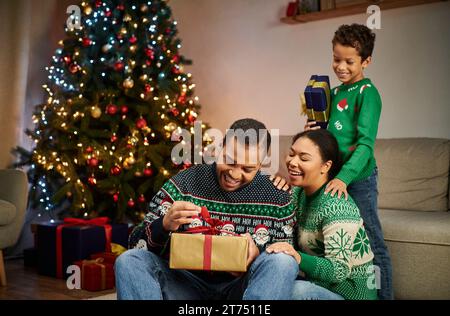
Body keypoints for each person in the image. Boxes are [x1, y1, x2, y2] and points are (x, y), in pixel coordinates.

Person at [115, 118, 298, 300]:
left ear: (261, 164)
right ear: (220, 148)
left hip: (242, 290)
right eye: (229, 161)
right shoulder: (184, 183)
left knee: (282, 260)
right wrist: (163, 225)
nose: (234, 174)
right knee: (129, 261)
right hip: (184, 285)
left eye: (247, 169)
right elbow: (135, 244)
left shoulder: (277, 197)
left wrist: (257, 256)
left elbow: (285, 264)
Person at [304, 24, 393, 299]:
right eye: (336, 59)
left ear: (366, 61)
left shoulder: (368, 93)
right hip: (334, 177)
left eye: (349, 61)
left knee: (371, 240)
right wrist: (317, 132)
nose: (340, 66)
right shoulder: (336, 93)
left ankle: (384, 296)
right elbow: (334, 137)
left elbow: (365, 145)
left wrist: (344, 177)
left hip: (358, 178)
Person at [267, 130, 378, 300]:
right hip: (318, 285)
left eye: (303, 158)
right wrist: (275, 187)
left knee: (296, 291)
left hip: (349, 295)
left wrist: (296, 256)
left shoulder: (337, 206)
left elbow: (339, 270)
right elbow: (279, 226)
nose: (292, 162)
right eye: (291, 154)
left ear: (326, 166)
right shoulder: (298, 193)